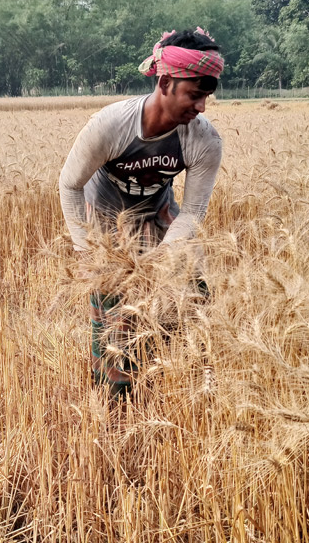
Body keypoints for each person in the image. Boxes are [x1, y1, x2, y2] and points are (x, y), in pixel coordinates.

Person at [58, 28, 224, 397]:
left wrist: (162, 260)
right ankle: (113, 398)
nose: (201, 107)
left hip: (159, 212)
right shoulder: (110, 125)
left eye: (207, 97)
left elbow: (194, 211)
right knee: (112, 311)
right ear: (165, 82)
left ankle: (187, 379)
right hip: (104, 216)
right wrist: (88, 251)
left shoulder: (204, 141)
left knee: (193, 291)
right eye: (194, 96)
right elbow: (69, 185)